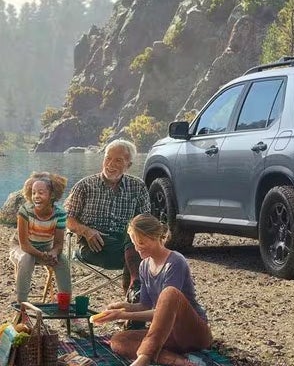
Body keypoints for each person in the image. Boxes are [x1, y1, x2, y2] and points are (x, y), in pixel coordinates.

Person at [93, 214, 212, 366]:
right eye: (134, 243)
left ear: (156, 237)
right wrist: (122, 307)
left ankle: (143, 358)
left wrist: (122, 315)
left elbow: (163, 311)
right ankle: (179, 361)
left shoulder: (175, 262)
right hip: (167, 334)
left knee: (169, 293)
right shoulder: (144, 266)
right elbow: (145, 305)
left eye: (141, 242)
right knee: (119, 340)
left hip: (193, 333)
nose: (137, 248)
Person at [65, 139, 151, 306]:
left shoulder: (138, 186)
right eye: (108, 158)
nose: (110, 164)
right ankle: (136, 289)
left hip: (128, 246)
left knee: (135, 231)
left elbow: (146, 221)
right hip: (95, 246)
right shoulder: (84, 186)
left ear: (128, 165)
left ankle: (135, 289)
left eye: (118, 160)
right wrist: (86, 231)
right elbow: (67, 219)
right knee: (137, 252)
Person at [10, 172, 71, 303]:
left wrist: (53, 253)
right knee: (27, 258)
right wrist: (42, 255)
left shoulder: (60, 213)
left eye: (41, 192)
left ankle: (66, 304)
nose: (36, 196)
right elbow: (24, 245)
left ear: (52, 195)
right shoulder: (25, 211)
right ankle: (22, 305)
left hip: (45, 248)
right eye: (33, 193)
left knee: (62, 260)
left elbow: (59, 244)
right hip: (21, 247)